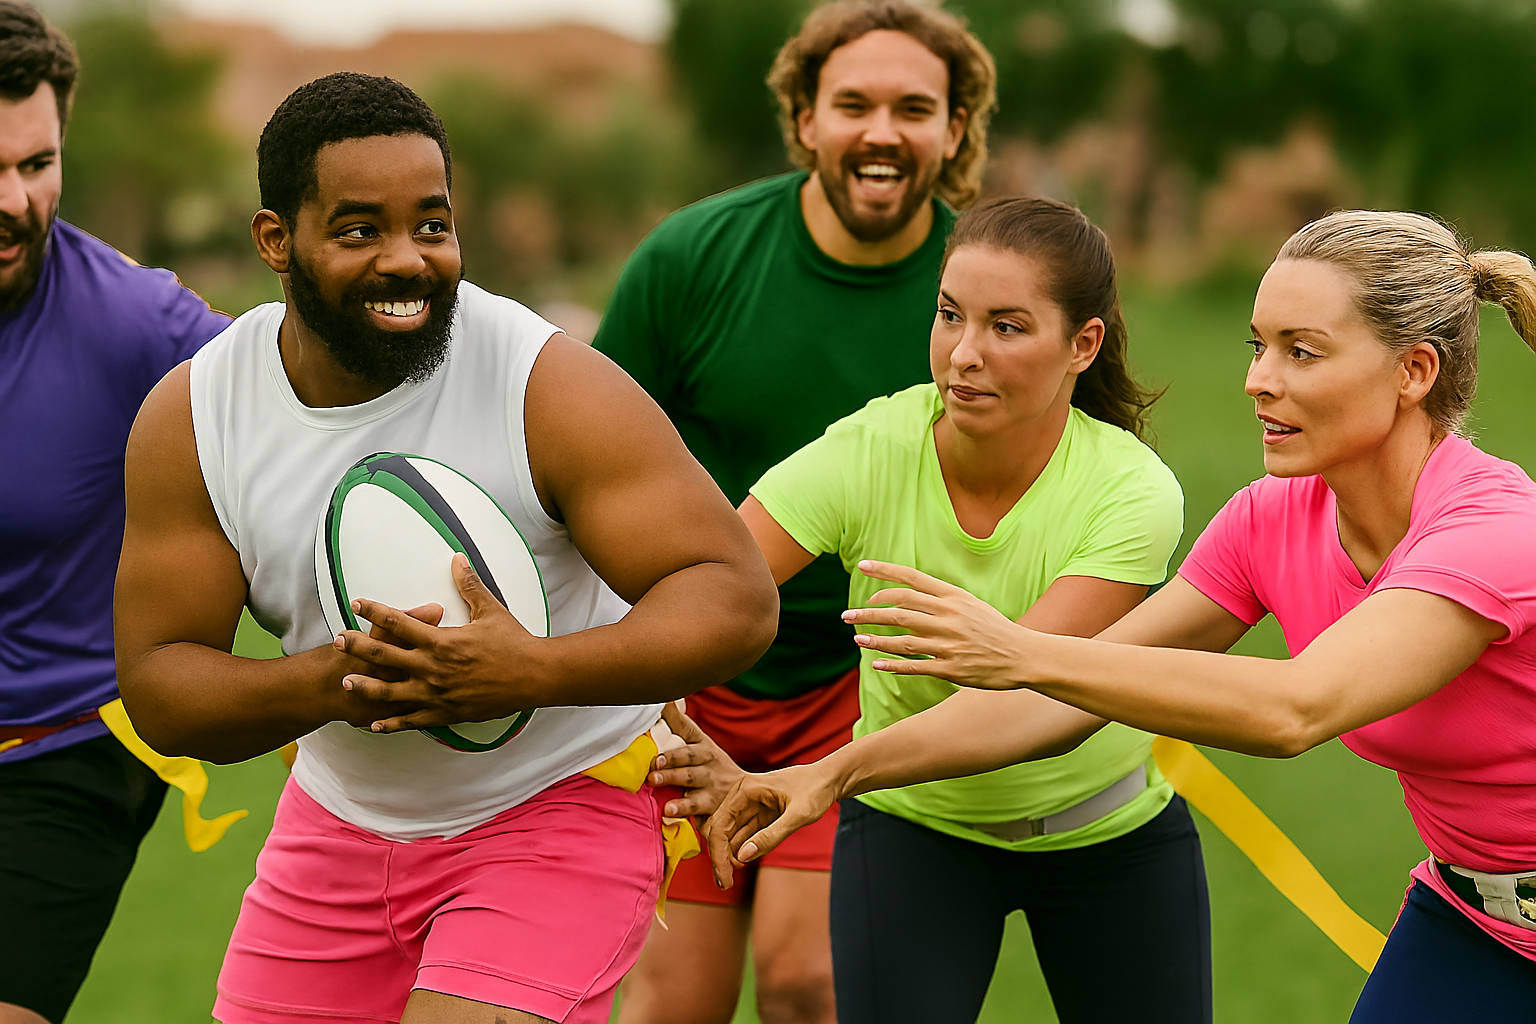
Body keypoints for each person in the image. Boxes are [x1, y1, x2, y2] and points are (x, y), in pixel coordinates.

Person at [711, 209, 1536, 1021]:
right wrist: (830, 773)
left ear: (1414, 372)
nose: (1258, 378)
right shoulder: (1270, 519)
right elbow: (1059, 700)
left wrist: (1023, 651)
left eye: (1301, 352)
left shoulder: (1493, 532)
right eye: (1258, 345)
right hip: (1469, 916)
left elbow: (1296, 708)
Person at [112, 72, 778, 1024]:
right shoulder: (197, 417)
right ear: (276, 242)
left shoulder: (539, 382)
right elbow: (162, 685)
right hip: (340, 824)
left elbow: (733, 594)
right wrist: (349, 680)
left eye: (432, 225)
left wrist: (530, 671)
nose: (407, 260)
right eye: (357, 231)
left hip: (564, 797)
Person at [674, 196, 1210, 1024]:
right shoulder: (870, 450)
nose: (963, 355)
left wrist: (829, 772)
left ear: (1083, 345)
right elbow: (708, 586)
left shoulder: (1132, 491)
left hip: (1109, 839)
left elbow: (1030, 700)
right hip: (908, 832)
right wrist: (650, 698)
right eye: (949, 316)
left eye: (1006, 326)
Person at [593, 3, 995, 1020]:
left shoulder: (987, 286)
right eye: (852, 103)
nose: (882, 131)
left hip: (868, 682)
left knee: (807, 979)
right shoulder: (692, 259)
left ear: (955, 131)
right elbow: (580, 465)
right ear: (805, 120)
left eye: (916, 108)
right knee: (668, 1002)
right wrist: (626, 663)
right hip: (690, 672)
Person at [0, 5, 232, 1022]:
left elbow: (317, 406)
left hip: (60, 754)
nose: (13, 200)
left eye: (36, 164)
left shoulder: (139, 326)